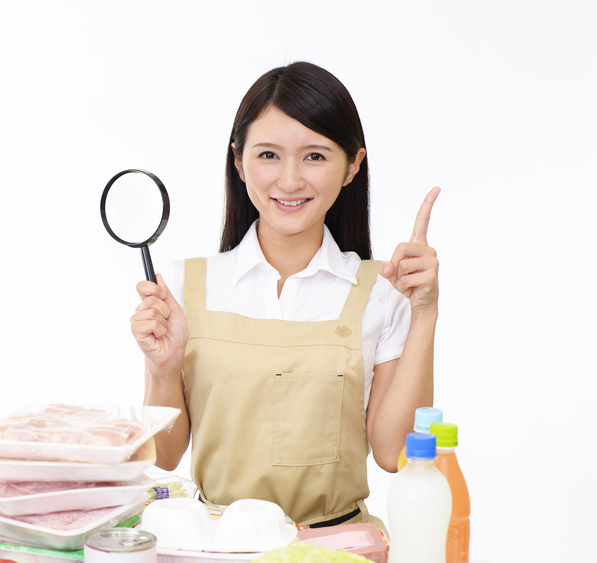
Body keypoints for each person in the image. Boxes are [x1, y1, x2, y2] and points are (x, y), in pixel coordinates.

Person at [129, 62, 440, 532]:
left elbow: (395, 453)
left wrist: (424, 312)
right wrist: (163, 366)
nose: (290, 180)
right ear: (238, 161)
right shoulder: (180, 285)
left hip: (337, 553)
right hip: (217, 547)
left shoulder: (383, 290)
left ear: (353, 164)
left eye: (315, 156)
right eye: (269, 155)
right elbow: (165, 455)